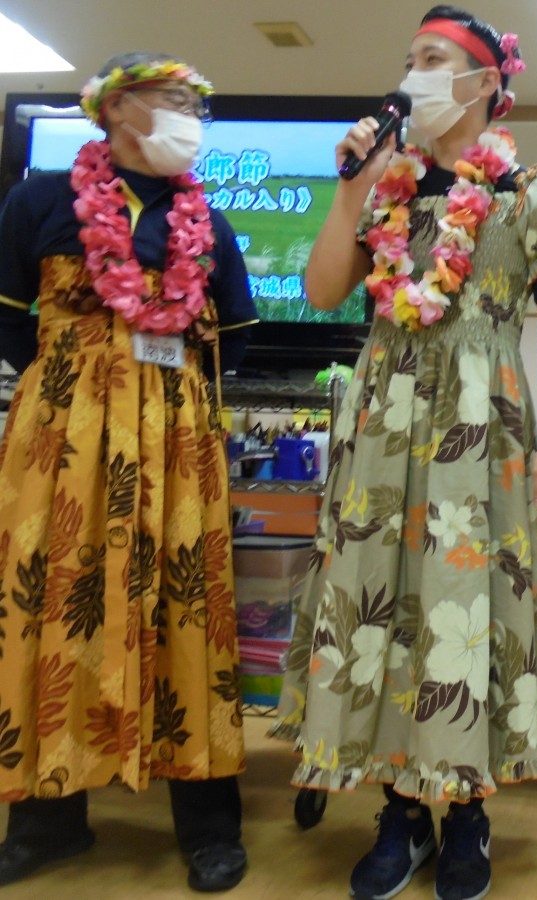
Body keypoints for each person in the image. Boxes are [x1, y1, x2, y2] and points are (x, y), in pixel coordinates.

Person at [268, 7, 537, 899]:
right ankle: (402, 812)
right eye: (409, 57)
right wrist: (350, 187)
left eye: (434, 58)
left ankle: (468, 813)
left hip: (484, 427)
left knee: (466, 603)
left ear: (485, 81)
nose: (413, 73)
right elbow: (323, 290)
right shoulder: (386, 192)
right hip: (383, 425)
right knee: (382, 600)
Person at [0, 53, 256, 891]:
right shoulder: (38, 201)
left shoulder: (210, 223)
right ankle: (47, 819)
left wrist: (155, 396)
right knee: (55, 601)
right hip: (63, 441)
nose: (189, 117)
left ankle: (210, 827)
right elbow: (10, 322)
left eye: (194, 105)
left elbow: (234, 339)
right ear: (115, 108)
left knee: (187, 608)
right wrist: (82, 385)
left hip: (176, 442)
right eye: (172, 100)